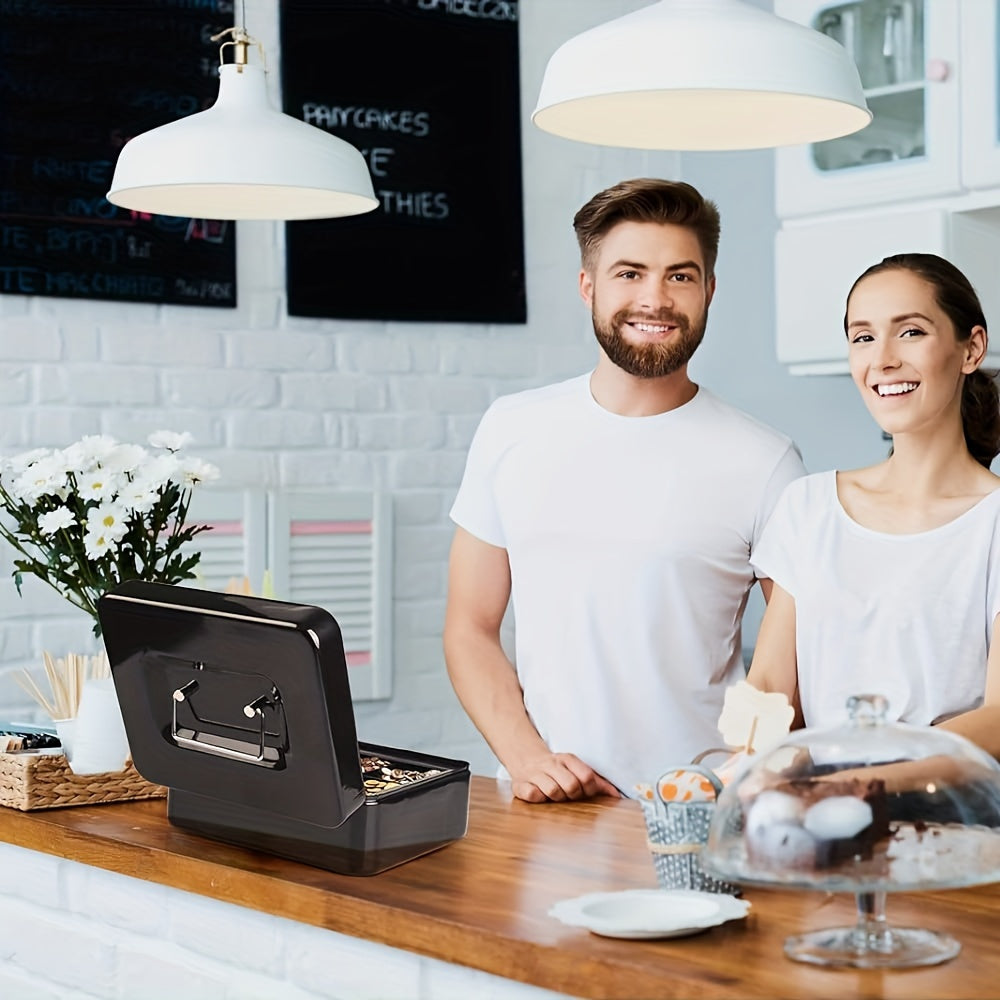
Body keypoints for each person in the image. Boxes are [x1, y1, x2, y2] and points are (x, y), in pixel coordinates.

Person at [443, 178, 806, 803]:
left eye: (681, 276)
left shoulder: (766, 461)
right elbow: (470, 626)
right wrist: (528, 758)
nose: (655, 299)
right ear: (589, 286)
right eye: (630, 273)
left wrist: (734, 775)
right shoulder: (512, 426)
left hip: (699, 815)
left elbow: (802, 653)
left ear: (710, 290)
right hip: (544, 807)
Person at [747, 253, 1000, 760]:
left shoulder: (992, 523)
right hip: (821, 818)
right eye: (863, 337)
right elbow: (768, 686)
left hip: (950, 824)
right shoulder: (808, 506)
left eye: (910, 332)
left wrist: (858, 787)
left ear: (971, 349)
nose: (882, 358)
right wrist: (744, 765)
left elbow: (997, 722)